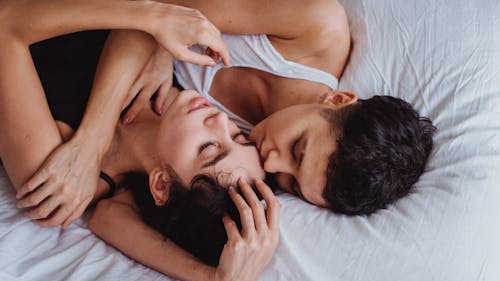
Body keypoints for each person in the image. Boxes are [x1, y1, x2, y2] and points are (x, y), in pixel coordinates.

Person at [11, 0, 435, 222]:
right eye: (298, 148)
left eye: (288, 178)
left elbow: (120, 212)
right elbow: (160, 12)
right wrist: (92, 139)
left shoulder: (246, 167)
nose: (271, 160)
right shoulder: (314, 30)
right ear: (338, 100)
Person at [0, 1, 280, 281]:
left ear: (161, 185)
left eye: (209, 147)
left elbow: (5, 24)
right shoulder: (167, 76)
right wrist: (93, 138)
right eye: (237, 135)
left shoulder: (53, 171)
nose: (221, 119)